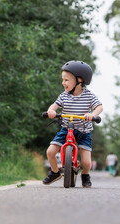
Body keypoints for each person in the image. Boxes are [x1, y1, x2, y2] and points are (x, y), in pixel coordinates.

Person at [42, 60, 103, 188]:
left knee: (86, 162)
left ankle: (85, 174)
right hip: (66, 128)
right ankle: (55, 172)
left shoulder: (89, 96)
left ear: (79, 80)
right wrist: (51, 111)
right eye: (63, 80)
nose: (63, 82)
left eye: (66, 80)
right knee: (50, 152)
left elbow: (99, 107)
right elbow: (54, 105)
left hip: (84, 131)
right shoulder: (64, 96)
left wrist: (92, 114)